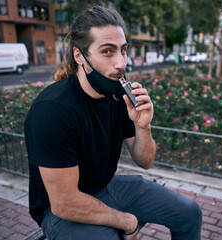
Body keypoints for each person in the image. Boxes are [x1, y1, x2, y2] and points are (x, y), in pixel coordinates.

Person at [24, 5, 202, 240]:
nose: (121, 64)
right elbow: (64, 203)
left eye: (123, 50)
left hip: (106, 187)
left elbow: (145, 161)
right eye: (107, 51)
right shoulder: (53, 110)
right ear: (79, 56)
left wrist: (143, 125)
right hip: (58, 211)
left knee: (190, 213)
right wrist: (127, 222)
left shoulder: (117, 94)